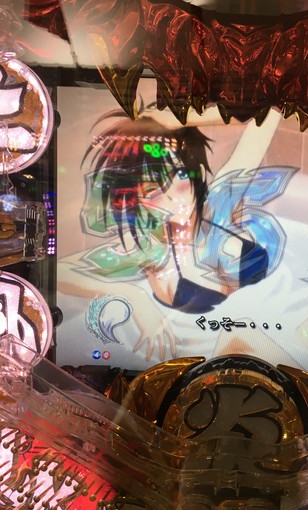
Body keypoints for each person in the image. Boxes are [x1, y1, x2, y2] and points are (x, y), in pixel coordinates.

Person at [57, 106, 285, 362]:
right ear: (140, 201)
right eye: (153, 189)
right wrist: (134, 296)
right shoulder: (149, 250)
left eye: (179, 175)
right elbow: (61, 271)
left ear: (198, 172)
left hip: (264, 331)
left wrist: (176, 118)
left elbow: (268, 113)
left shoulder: (218, 205)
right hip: (210, 357)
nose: (172, 195)